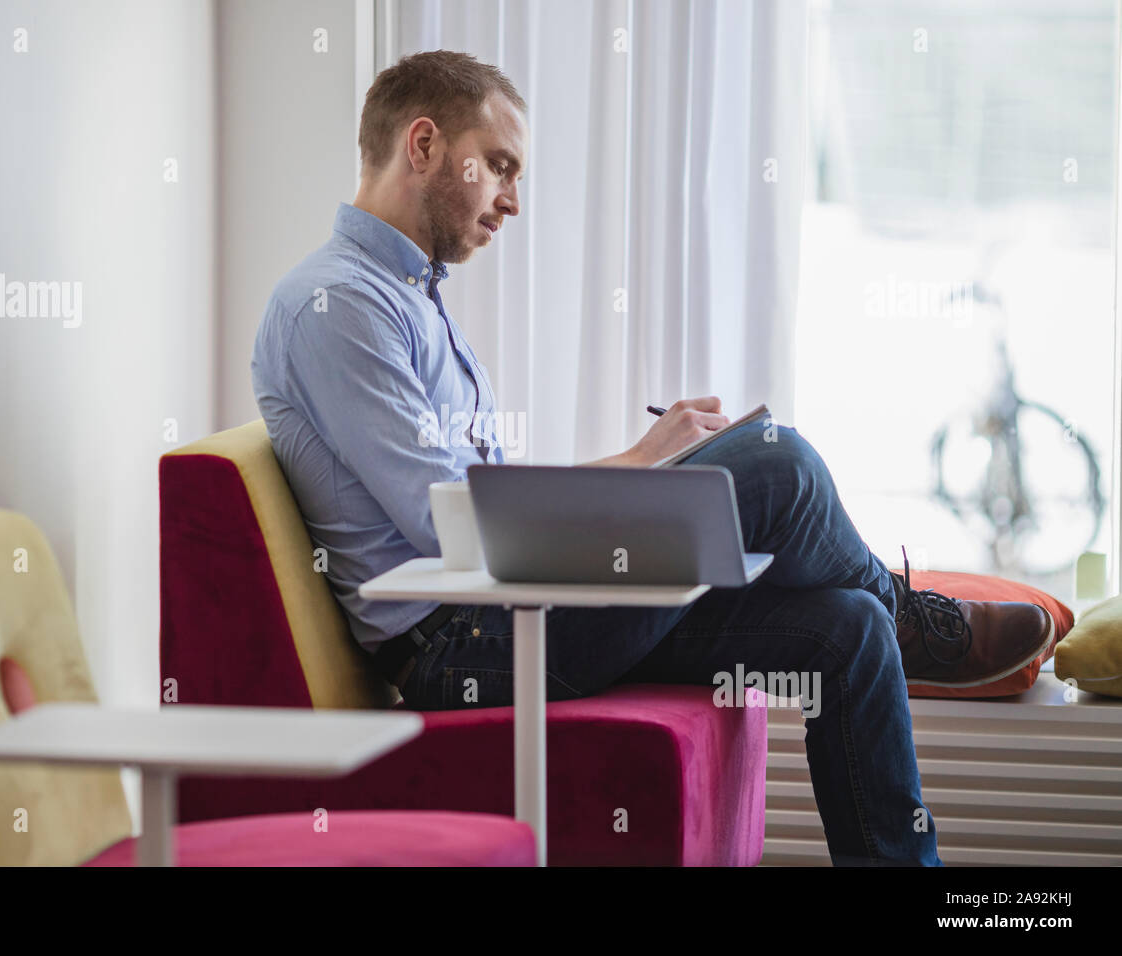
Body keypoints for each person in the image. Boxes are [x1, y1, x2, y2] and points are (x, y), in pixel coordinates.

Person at [251, 50, 1055, 866]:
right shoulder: (339, 305)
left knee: (848, 631)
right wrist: (653, 492)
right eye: (498, 167)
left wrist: (644, 460)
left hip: (510, 609)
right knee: (780, 462)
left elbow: (477, 499)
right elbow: (448, 524)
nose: (514, 200)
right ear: (422, 145)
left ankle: (887, 636)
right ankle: (909, 616)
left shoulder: (409, 300)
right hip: (470, 644)